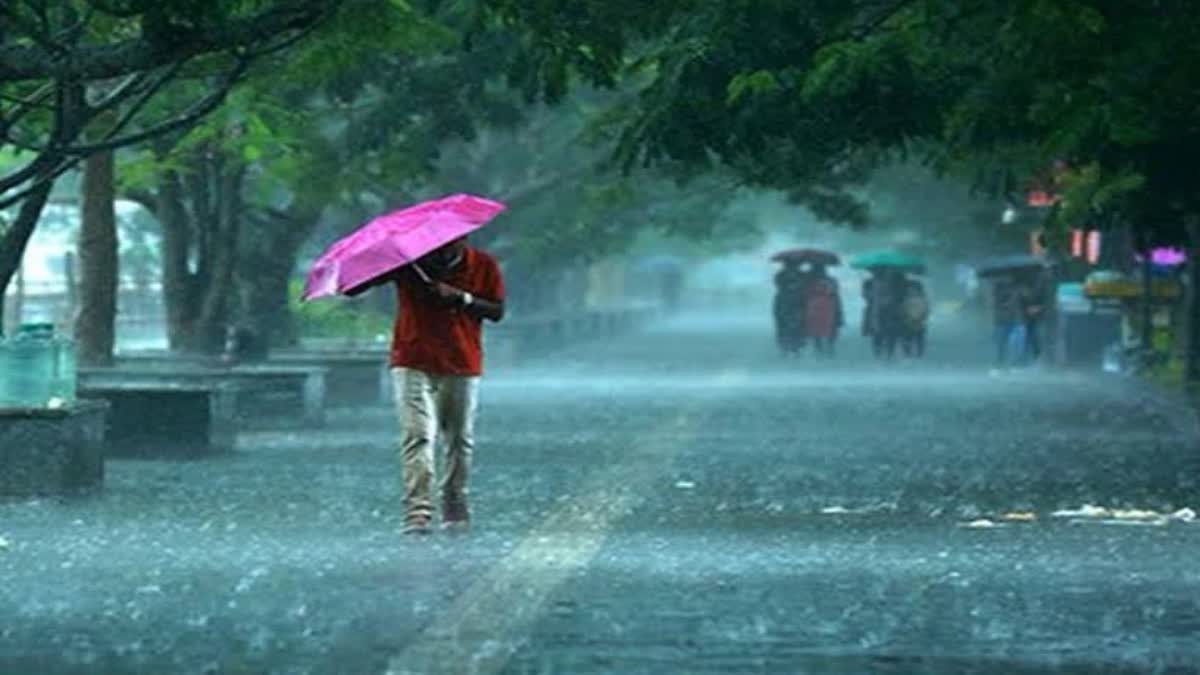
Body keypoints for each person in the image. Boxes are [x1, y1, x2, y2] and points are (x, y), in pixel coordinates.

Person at [348, 236, 505, 534]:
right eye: (435, 246)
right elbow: (355, 288)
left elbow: (497, 311)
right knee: (418, 434)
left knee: (459, 438)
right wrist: (377, 264)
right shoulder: (409, 264)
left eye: (449, 245)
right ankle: (417, 510)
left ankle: (454, 499)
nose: (441, 250)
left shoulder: (484, 264)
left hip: (462, 360)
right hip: (412, 358)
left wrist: (462, 298)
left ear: (463, 239)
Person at [804, 264, 843, 357]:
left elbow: (805, 294)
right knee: (830, 328)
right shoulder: (831, 281)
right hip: (829, 306)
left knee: (816, 330)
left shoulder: (808, 281)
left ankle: (819, 351)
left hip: (814, 307)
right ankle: (830, 350)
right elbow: (835, 294)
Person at [773, 260, 808, 356]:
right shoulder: (782, 275)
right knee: (788, 325)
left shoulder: (782, 274)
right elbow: (778, 284)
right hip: (789, 302)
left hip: (792, 302)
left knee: (793, 325)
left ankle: (791, 347)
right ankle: (789, 347)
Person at [900, 277, 930, 358]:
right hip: (908, 322)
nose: (912, 291)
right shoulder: (906, 300)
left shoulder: (922, 300)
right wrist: (906, 318)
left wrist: (921, 318)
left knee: (919, 339)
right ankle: (908, 354)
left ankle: (918, 354)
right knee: (907, 339)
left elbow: (926, 311)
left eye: (913, 289)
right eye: (910, 290)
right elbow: (903, 311)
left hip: (919, 323)